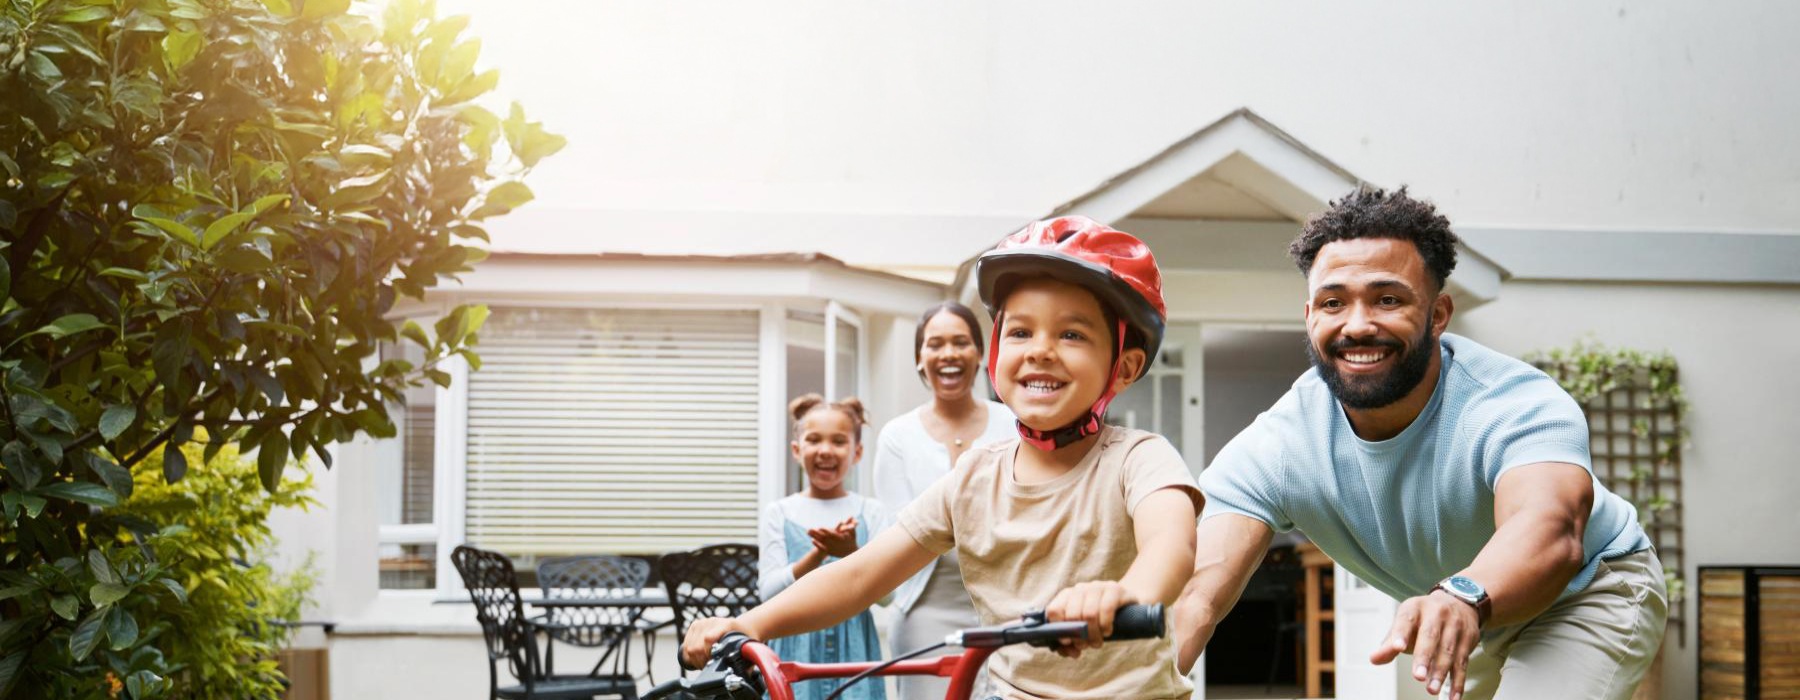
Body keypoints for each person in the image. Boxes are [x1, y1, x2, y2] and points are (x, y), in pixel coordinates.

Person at [1172, 187, 1667, 700]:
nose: (1357, 325)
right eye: (1333, 302)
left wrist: (1461, 597)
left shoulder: (1512, 404)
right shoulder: (1281, 445)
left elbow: (1550, 529)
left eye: (1388, 299)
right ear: (1310, 317)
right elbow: (1196, 596)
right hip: (1470, 614)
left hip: (1588, 589)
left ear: (1437, 314)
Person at [683, 216, 1202, 700]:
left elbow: (1171, 548)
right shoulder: (974, 476)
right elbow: (861, 575)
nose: (1040, 349)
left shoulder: (1138, 459)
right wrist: (751, 623)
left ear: (1126, 366)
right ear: (998, 353)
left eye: (1071, 334)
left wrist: (1121, 594)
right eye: (1021, 332)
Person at [872, 302, 1016, 700]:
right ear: (920, 358)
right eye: (935, 344)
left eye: (960, 342)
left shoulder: (1014, 423)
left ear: (980, 355)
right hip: (924, 613)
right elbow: (899, 531)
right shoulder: (897, 436)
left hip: (1008, 609)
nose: (948, 353)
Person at [759, 394, 892, 700]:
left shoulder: (871, 512)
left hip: (855, 650)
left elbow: (888, 597)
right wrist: (817, 554)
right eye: (814, 440)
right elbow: (769, 594)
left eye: (838, 441)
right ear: (796, 449)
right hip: (793, 646)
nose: (825, 450)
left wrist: (852, 555)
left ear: (857, 452)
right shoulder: (779, 512)